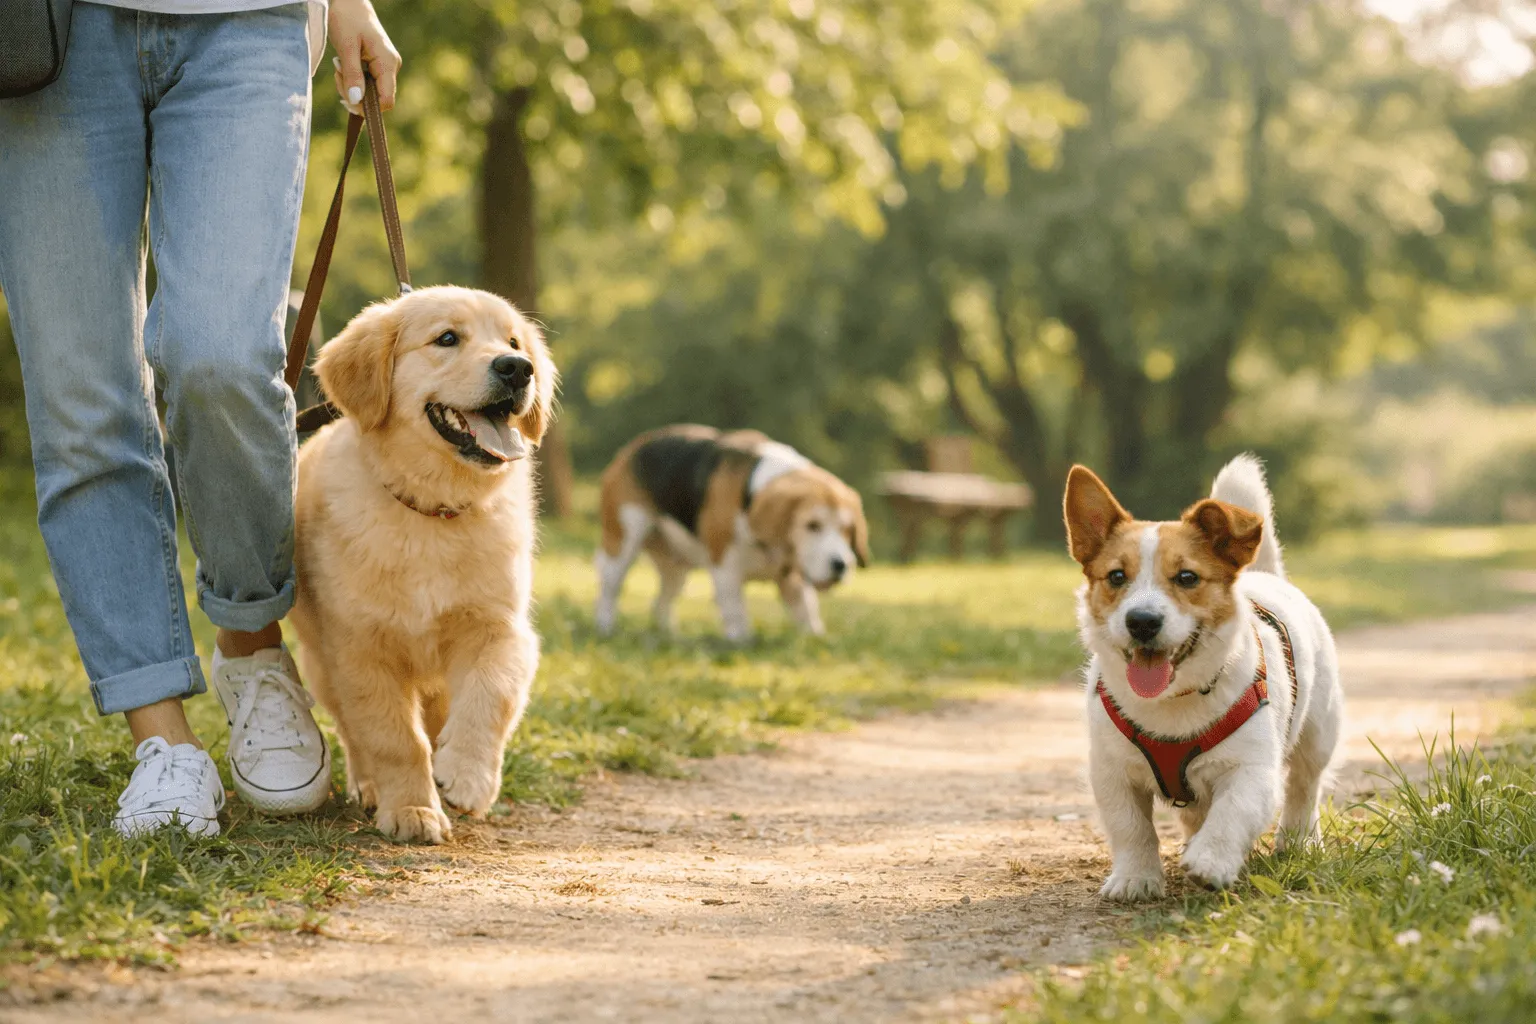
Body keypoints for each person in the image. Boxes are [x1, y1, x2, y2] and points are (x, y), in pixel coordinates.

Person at [0, 0, 399, 836]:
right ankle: (164, 741)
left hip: (249, 20)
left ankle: (251, 645)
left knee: (219, 354)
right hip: (48, 31)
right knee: (81, 392)